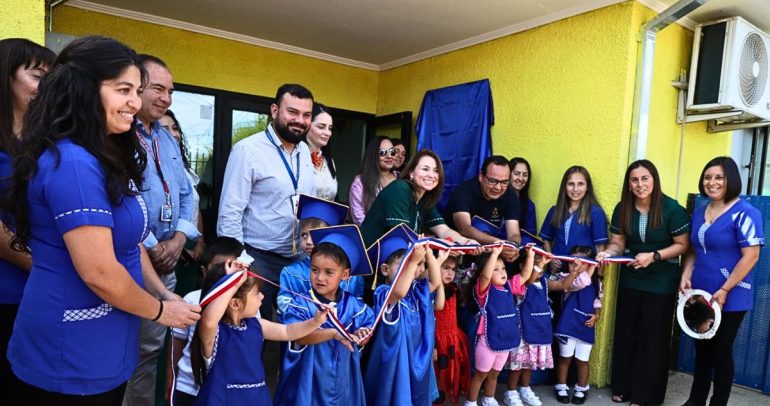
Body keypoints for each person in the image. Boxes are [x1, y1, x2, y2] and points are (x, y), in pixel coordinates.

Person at [3, 35, 200, 404]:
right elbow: (98, 271)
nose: (134, 102)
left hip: (106, 338)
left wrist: (160, 291)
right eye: (123, 89)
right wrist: (162, 311)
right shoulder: (74, 164)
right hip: (70, 349)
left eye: (137, 90)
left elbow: (129, 241)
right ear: (83, 90)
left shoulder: (103, 155)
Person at [125, 54, 201, 406]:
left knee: (153, 346)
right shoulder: (120, 135)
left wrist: (180, 239)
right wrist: (156, 243)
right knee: (129, 346)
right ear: (137, 87)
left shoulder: (166, 138)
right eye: (157, 88)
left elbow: (188, 193)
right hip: (133, 258)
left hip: (166, 260)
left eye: (170, 91)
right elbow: (124, 197)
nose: (166, 98)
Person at [594, 159, 690, 406]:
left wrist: (655, 256)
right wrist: (609, 253)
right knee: (627, 335)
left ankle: (645, 396)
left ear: (654, 180)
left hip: (661, 283)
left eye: (645, 178)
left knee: (653, 340)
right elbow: (618, 242)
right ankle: (623, 387)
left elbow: (682, 245)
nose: (640, 184)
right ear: (629, 184)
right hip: (631, 279)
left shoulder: (672, 209)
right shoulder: (622, 208)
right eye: (634, 180)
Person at [218, 83, 315, 322]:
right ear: (274, 110)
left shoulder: (304, 151)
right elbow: (230, 211)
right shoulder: (247, 150)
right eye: (292, 112)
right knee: (252, 331)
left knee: (294, 328)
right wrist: (240, 260)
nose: (300, 120)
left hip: (298, 260)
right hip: (258, 258)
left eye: (306, 115)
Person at [680, 157, 764, 406]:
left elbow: (752, 255)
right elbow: (695, 249)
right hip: (701, 291)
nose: (712, 182)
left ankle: (718, 403)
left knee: (720, 351)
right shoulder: (700, 210)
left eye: (719, 177)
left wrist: (726, 288)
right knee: (702, 351)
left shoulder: (747, 213)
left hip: (731, 294)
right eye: (708, 177)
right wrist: (686, 274)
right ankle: (695, 401)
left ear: (731, 180)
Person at [191, 260, 329, 405]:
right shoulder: (215, 332)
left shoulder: (256, 325)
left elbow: (288, 331)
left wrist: (315, 322)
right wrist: (234, 283)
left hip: (257, 399)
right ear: (235, 304)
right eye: (257, 293)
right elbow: (208, 321)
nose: (262, 296)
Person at [0, 37, 54, 396]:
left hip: (43, 293)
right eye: (37, 76)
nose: (45, 88)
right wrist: (49, 269)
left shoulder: (46, 141)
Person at [274, 224, 375, 405]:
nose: (320, 278)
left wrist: (363, 334)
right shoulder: (301, 304)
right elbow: (300, 337)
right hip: (309, 379)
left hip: (343, 379)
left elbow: (367, 326)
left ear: (345, 275)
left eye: (329, 272)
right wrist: (332, 334)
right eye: (314, 270)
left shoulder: (353, 305)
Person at [364, 225, 444, 406]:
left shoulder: (415, 291)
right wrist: (414, 261)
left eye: (413, 265)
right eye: (403, 265)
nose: (412, 269)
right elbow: (398, 292)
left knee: (414, 393)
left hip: (414, 355)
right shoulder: (384, 293)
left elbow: (435, 281)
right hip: (394, 359)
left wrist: (429, 254)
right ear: (385, 270)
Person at [165, 236, 243, 406]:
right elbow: (176, 342)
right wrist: (170, 377)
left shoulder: (246, 305)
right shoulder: (191, 300)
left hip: (226, 389)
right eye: (219, 268)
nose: (225, 274)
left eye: (232, 267)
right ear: (204, 271)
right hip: (188, 387)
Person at [360, 149, 476, 247]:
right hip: (371, 259)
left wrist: (465, 242)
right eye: (425, 169)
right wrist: (440, 243)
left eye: (436, 171)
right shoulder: (400, 188)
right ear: (411, 173)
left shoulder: (424, 197)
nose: (431, 175)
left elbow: (443, 230)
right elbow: (402, 235)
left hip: (395, 257)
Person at [277, 194, 358, 320]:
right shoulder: (290, 272)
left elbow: (357, 308)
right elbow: (284, 305)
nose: (308, 241)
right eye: (304, 235)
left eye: (315, 235)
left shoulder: (351, 277)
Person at [466, 245, 524, 406]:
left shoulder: (508, 287)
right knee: (480, 375)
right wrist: (495, 253)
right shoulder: (484, 290)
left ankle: (489, 399)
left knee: (494, 374)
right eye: (496, 269)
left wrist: (534, 257)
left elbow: (525, 276)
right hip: (488, 342)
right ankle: (470, 402)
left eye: (503, 268)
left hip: (504, 342)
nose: (502, 272)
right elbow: (485, 277)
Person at [504, 246, 558, 406]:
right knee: (518, 364)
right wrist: (540, 264)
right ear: (522, 266)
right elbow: (528, 278)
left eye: (539, 263)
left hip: (537, 331)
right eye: (534, 263)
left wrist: (576, 272)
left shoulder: (544, 283)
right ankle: (511, 392)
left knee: (529, 363)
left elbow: (562, 285)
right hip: (523, 332)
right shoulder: (522, 284)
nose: (539, 265)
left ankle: (525, 389)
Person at [444, 155, 521, 261]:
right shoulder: (463, 192)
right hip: (458, 253)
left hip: (491, 254)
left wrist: (513, 247)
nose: (498, 187)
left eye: (504, 182)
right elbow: (464, 228)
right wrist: (499, 243)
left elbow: (514, 233)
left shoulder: (511, 195)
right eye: (493, 181)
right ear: (481, 176)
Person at [552, 247, 602, 405]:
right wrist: (591, 267)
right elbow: (579, 284)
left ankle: (581, 388)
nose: (577, 266)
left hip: (585, 324)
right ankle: (561, 386)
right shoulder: (566, 278)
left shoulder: (596, 283)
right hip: (569, 325)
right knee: (565, 357)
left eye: (582, 263)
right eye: (573, 262)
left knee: (582, 360)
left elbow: (598, 300)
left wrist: (597, 314)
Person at [160, 109, 205, 264]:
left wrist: (200, 242)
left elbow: (194, 207)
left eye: (175, 128)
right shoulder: (152, 171)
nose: (173, 134)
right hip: (166, 248)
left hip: (190, 242)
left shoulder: (184, 171)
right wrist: (181, 249)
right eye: (164, 130)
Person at [433, 254, 471, 405]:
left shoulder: (453, 288)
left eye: (453, 269)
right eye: (445, 268)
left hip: (453, 338)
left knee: (453, 372)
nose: (450, 273)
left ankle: (450, 396)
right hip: (438, 340)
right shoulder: (431, 291)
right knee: (439, 373)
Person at [349, 135, 397, 225]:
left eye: (392, 152)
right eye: (383, 152)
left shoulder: (400, 178)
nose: (389, 156)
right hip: (371, 236)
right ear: (373, 155)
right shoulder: (360, 182)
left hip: (399, 236)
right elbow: (359, 218)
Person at [304, 103, 338, 201]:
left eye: (330, 128)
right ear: (307, 125)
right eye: (321, 127)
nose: (327, 133)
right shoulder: (296, 156)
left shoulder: (330, 161)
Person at [509, 157, 538, 246]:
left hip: (519, 249)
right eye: (517, 174)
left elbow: (530, 235)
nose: (521, 178)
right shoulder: (496, 199)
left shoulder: (529, 205)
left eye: (525, 175)